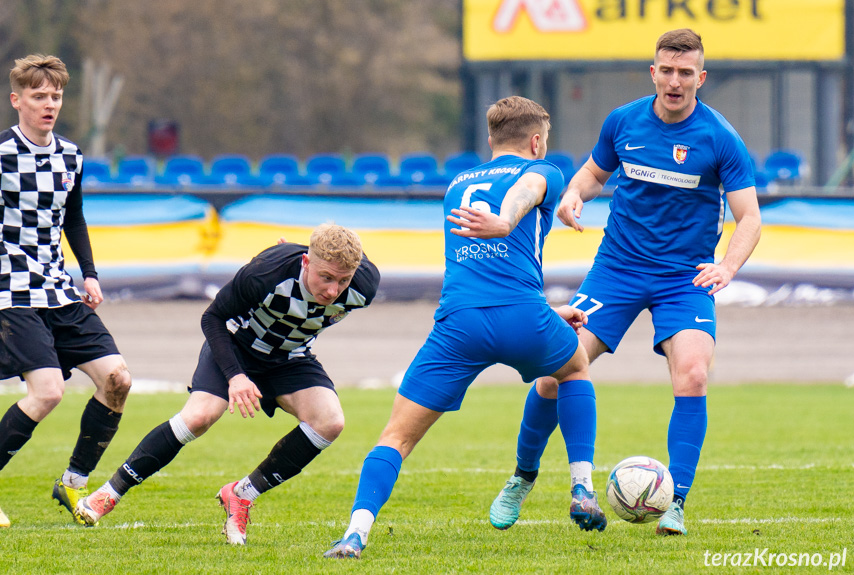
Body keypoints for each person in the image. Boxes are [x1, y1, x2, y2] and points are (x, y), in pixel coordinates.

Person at [487, 29, 762, 536]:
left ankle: (674, 501)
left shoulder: (720, 137)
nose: (675, 81)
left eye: (686, 73)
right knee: (556, 369)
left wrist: (727, 266)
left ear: (700, 78)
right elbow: (593, 175)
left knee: (695, 375)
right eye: (667, 70)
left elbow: (749, 217)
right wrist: (574, 196)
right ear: (653, 72)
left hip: (685, 278)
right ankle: (523, 476)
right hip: (618, 269)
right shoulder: (624, 121)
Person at [324, 95, 606, 560]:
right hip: (521, 316)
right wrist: (505, 221)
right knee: (574, 369)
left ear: (491, 138)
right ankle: (581, 488)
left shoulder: (457, 184)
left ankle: (355, 535)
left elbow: (484, 272)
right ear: (537, 141)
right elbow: (527, 190)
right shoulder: (547, 171)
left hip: (459, 324)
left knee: (395, 436)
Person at [74, 224, 380, 546]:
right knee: (199, 417)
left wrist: (328, 273)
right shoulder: (265, 273)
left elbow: (336, 268)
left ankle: (242, 495)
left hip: (290, 358)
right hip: (235, 343)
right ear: (305, 262)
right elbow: (212, 317)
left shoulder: (364, 286)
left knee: (330, 422)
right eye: (326, 278)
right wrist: (235, 376)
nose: (333, 291)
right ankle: (108, 493)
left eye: (343, 280)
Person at [0, 55, 132, 529]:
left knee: (118, 380)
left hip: (58, 287)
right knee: (48, 391)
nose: (49, 104)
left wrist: (88, 273)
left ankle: (72, 482)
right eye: (38, 96)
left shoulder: (71, 155)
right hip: (11, 287)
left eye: (55, 96)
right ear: (17, 100)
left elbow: (73, 217)